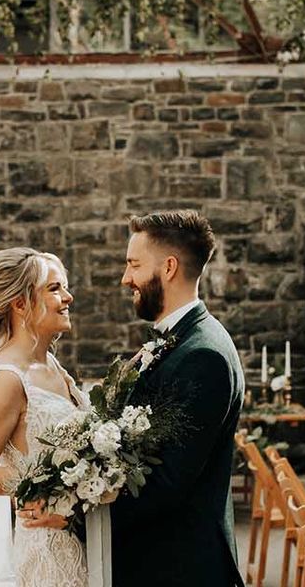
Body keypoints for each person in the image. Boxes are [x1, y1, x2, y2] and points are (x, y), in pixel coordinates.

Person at [113, 210, 245, 587]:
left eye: (134, 265)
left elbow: (167, 482)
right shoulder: (183, 340)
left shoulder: (204, 356)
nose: (126, 279)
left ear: (168, 267)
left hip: (179, 566)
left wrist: (78, 513)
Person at [0, 246, 89, 587]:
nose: (68, 297)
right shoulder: (8, 378)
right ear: (20, 304)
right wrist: (52, 482)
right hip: (47, 548)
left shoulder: (51, 365)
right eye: (55, 288)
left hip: (75, 531)